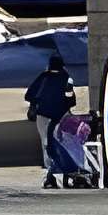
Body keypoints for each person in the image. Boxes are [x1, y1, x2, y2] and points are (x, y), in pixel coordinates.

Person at [24, 54, 75, 188]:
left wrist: (40, 101)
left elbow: (29, 95)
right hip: (61, 117)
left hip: (43, 116)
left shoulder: (43, 77)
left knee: (46, 144)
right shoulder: (66, 78)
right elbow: (71, 99)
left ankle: (50, 174)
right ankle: (66, 171)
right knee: (64, 144)